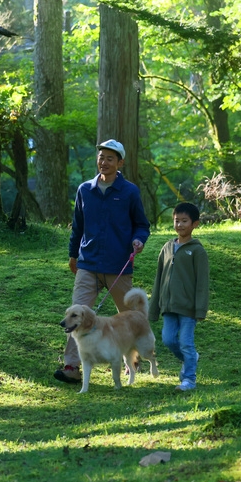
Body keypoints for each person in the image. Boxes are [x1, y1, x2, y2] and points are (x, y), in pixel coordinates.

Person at [55, 139, 151, 384]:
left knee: (129, 318)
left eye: (110, 158)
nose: (104, 162)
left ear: (120, 162)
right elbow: (77, 226)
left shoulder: (129, 191)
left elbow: (141, 225)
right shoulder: (84, 190)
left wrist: (139, 240)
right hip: (88, 265)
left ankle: (132, 362)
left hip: (119, 266)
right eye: (101, 157)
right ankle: (72, 366)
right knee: (76, 315)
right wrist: (73, 254)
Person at [148, 202, 209, 391]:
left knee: (186, 342)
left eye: (185, 221)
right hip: (168, 306)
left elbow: (202, 283)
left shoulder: (197, 251)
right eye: (177, 221)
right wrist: (154, 308)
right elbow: (158, 279)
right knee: (168, 339)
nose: (180, 225)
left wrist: (200, 309)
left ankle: (189, 379)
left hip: (188, 307)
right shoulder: (166, 248)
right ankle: (191, 359)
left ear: (195, 224)